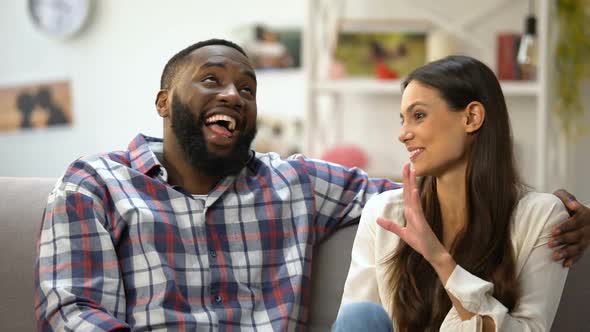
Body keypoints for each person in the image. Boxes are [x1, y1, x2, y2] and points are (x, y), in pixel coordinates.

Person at [34, 40, 588, 331]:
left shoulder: (294, 182)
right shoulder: (96, 185)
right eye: (211, 80)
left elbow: (432, 194)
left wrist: (553, 213)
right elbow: (73, 312)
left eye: (247, 88)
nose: (234, 94)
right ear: (163, 103)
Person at [334, 55, 582, 332]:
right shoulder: (383, 212)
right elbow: (357, 323)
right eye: (402, 120)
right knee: (361, 316)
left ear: (471, 117)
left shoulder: (541, 215)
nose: (403, 134)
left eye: (418, 116)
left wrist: (440, 259)